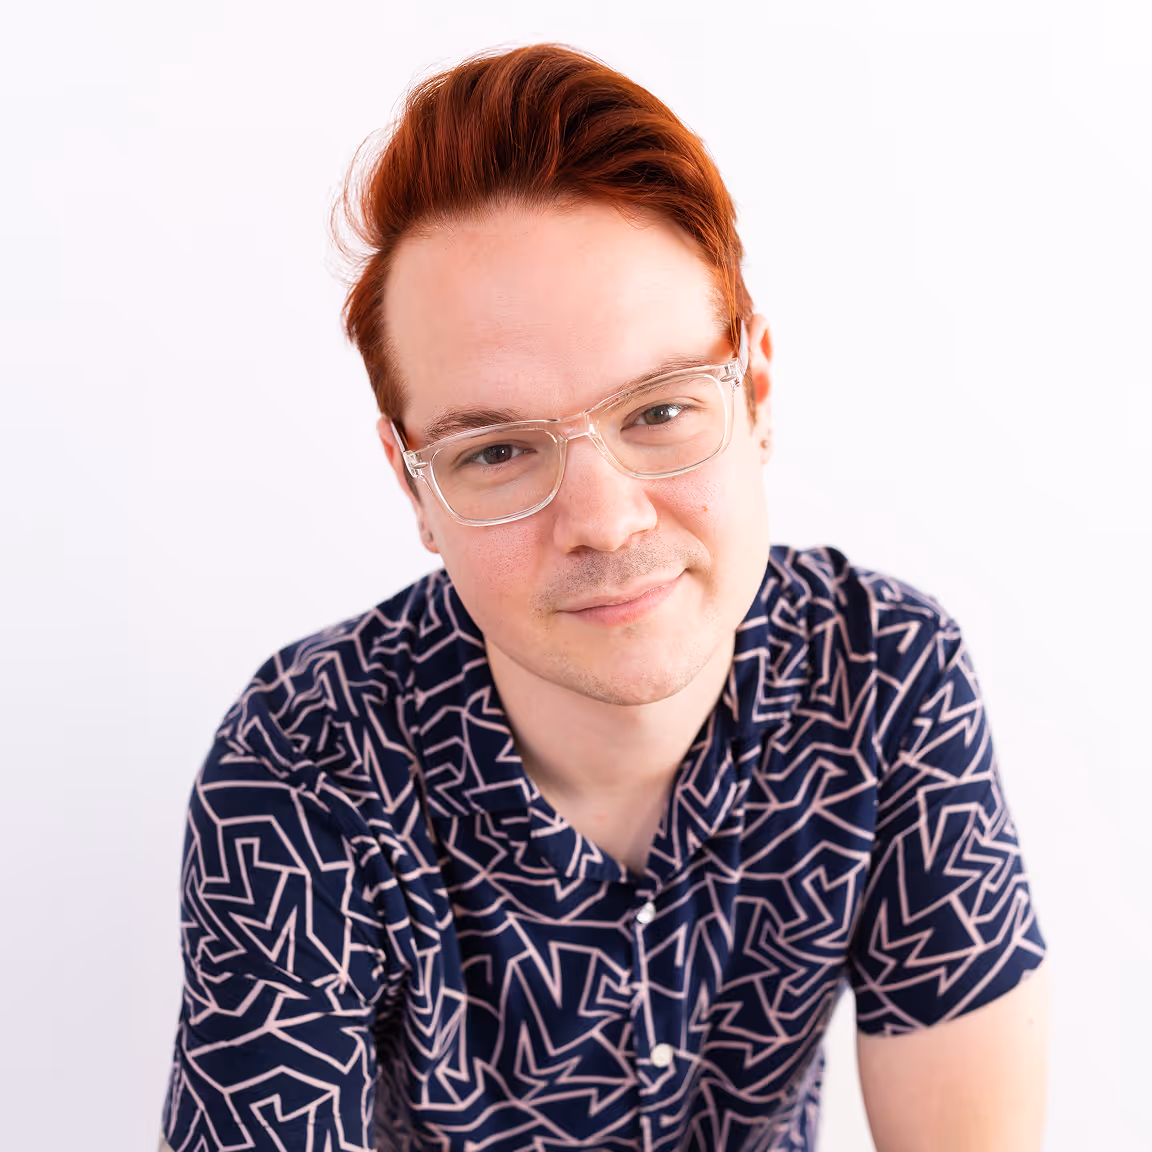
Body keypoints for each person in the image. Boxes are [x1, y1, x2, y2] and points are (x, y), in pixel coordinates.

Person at [161, 44, 1049, 1152]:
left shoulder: (886, 673)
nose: (606, 519)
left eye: (661, 412)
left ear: (756, 389)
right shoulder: (303, 761)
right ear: (416, 490)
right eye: (497, 452)